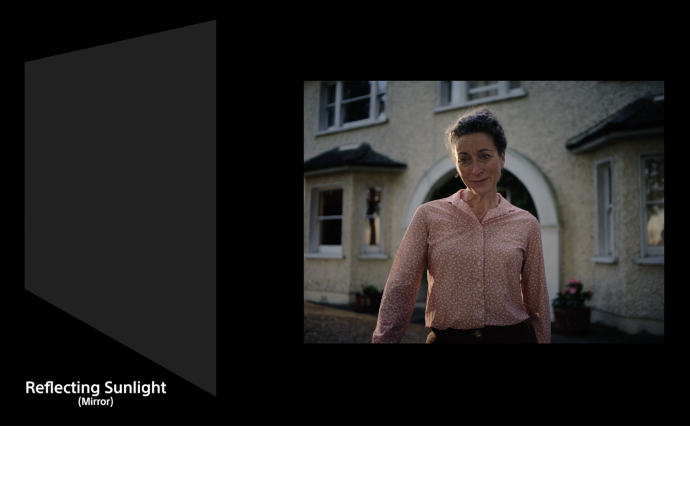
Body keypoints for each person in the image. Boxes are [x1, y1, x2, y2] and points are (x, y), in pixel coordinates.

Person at [372, 107, 551, 344]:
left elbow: (537, 299)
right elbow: (400, 288)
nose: (475, 170)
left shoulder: (526, 223)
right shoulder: (428, 216)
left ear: (502, 157)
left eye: (485, 156)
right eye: (464, 159)